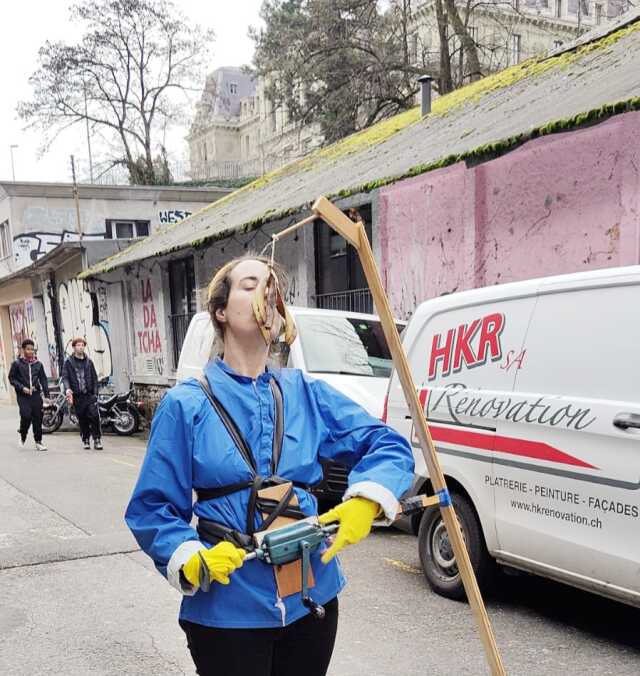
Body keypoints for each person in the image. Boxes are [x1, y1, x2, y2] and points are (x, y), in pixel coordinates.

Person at [125, 255, 415, 676]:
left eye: (273, 286)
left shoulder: (303, 392)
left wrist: (367, 499)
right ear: (221, 311)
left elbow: (387, 443)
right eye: (249, 284)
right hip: (228, 608)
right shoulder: (185, 404)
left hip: (312, 598)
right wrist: (187, 555)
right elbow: (152, 508)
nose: (267, 292)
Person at [8, 338, 50, 451]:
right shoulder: (17, 364)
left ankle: (38, 442)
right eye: (28, 349)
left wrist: (47, 396)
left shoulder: (38, 364)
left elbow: (43, 379)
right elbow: (12, 378)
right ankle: (23, 434)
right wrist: (22, 388)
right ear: (23, 350)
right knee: (26, 415)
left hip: (35, 394)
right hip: (23, 395)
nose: (31, 352)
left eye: (32, 349)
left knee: (38, 417)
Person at [61, 338, 103, 450]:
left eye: (82, 345)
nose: (81, 347)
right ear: (74, 347)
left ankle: (97, 439)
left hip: (89, 395)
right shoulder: (68, 362)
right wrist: (68, 389)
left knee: (94, 416)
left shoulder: (89, 362)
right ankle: (85, 439)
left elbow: (94, 378)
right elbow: (65, 377)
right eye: (78, 345)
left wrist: (95, 393)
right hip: (78, 396)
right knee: (82, 418)